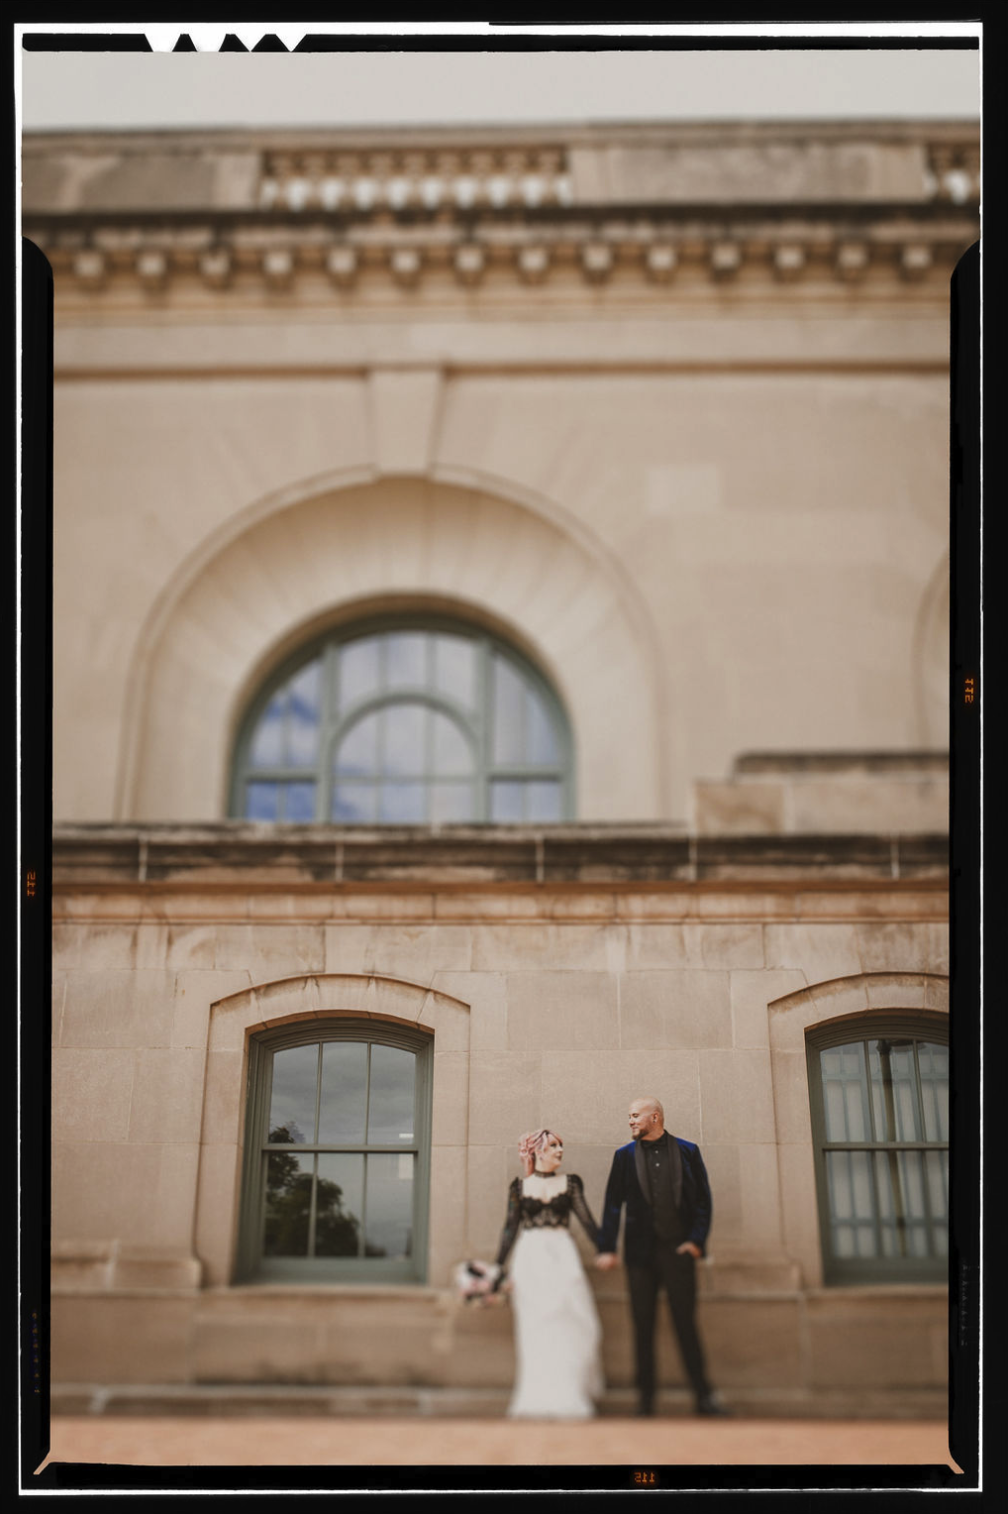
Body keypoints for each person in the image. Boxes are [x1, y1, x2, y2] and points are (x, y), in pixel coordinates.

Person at [596, 1096, 728, 1417]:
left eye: (635, 1116)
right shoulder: (623, 1156)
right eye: (629, 1116)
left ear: (655, 1117)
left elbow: (702, 1201)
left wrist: (696, 1242)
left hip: (678, 1252)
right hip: (639, 1256)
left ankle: (703, 1397)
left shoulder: (687, 1151)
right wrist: (608, 1247)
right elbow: (613, 1204)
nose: (630, 1121)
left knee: (686, 1324)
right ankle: (645, 1401)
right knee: (643, 1327)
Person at [493, 1127, 604, 1419]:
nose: (559, 1151)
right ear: (538, 1151)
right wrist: (497, 1269)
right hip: (530, 1257)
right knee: (535, 1328)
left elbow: (587, 1221)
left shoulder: (570, 1184)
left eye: (560, 1146)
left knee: (574, 1322)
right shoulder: (518, 1188)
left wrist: (605, 1249)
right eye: (553, 1146)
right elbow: (509, 1229)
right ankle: (536, 1396)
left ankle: (570, 1393)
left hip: (563, 1255)